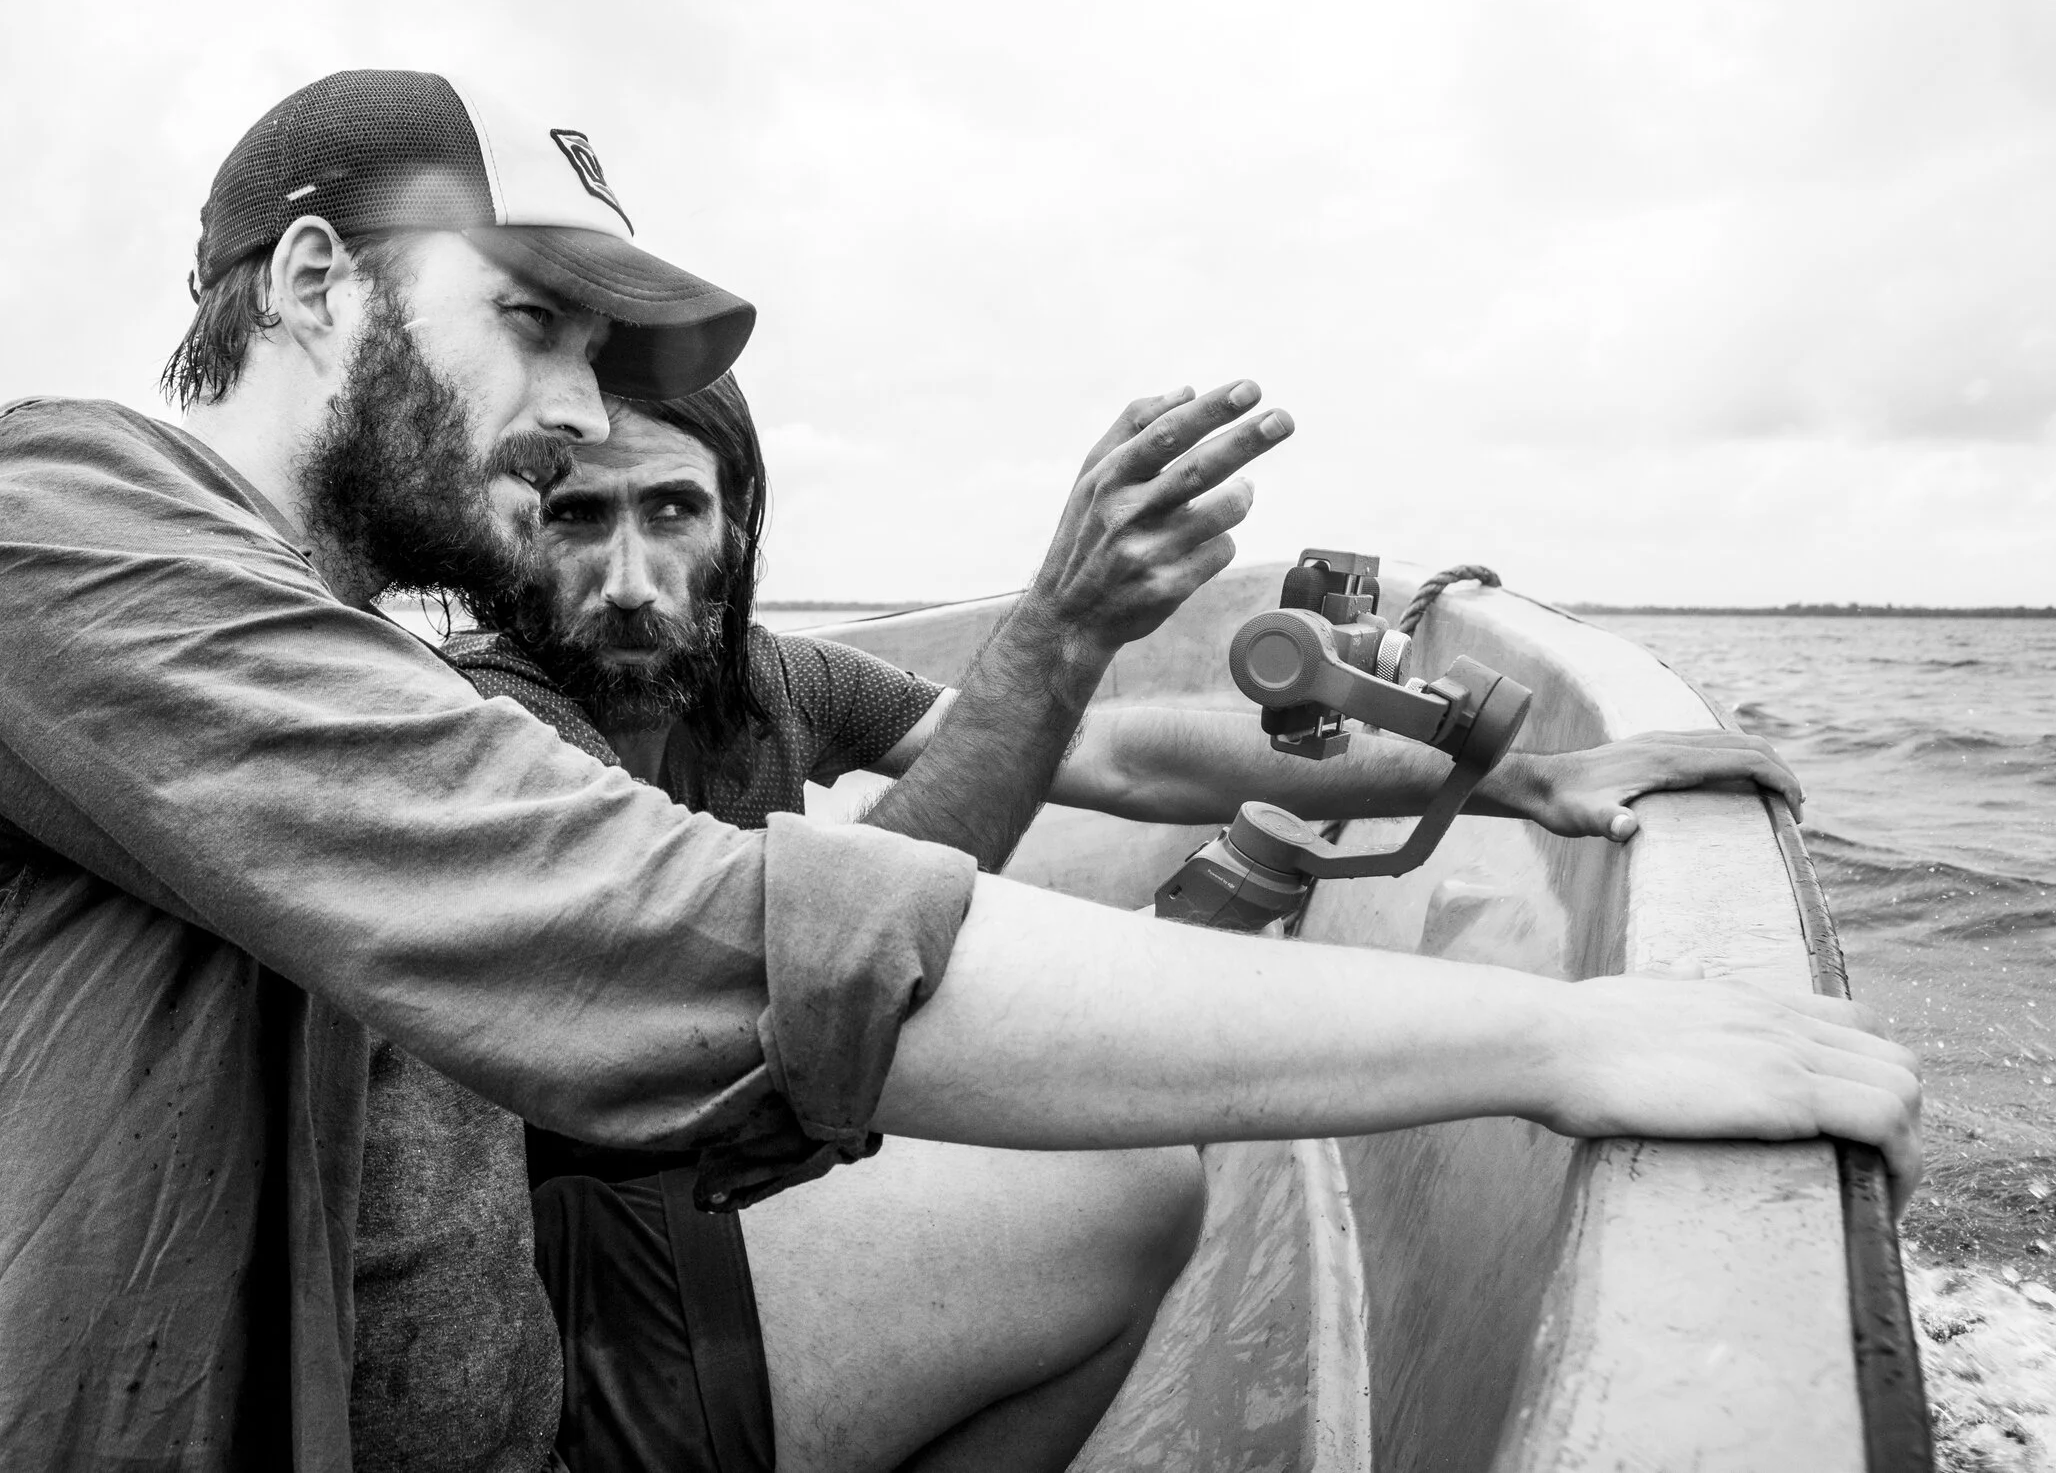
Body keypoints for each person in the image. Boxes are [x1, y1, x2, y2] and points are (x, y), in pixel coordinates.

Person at [0, 69, 1921, 1473]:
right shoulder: (37, 527)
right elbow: (725, 945)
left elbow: (1068, 754)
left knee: (1110, 1200)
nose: (572, 425)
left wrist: (1452, 761)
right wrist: (1557, 1033)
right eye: (527, 321)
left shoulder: (320, 623)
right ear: (303, 282)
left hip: (473, 1386)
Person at [426, 372, 1820, 1472]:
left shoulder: (763, 677)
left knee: (1121, 1160)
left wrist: (1513, 777)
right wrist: (1062, 618)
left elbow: (1123, 758)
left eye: (670, 512)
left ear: (739, 525)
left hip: (698, 1171)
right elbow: (812, 989)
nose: (627, 577)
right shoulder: (494, 720)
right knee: (1124, 1181)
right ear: (506, 530)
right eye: (574, 517)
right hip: (543, 1290)